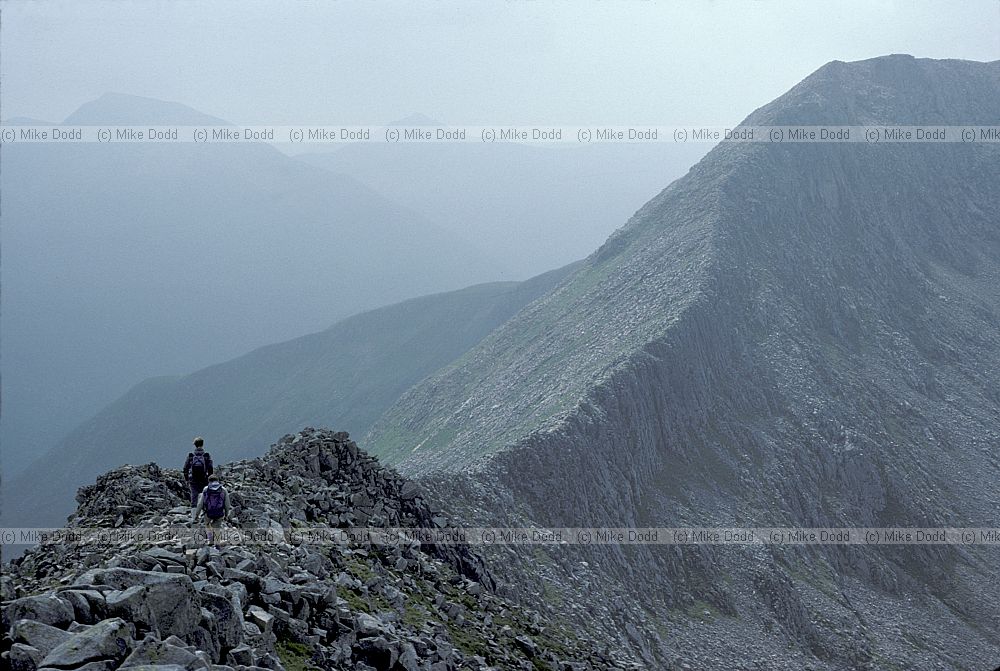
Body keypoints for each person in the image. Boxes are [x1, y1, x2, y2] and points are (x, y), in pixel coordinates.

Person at [191, 474, 231, 547]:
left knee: (207, 525)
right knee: (217, 528)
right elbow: (227, 504)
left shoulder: (206, 489)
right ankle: (217, 544)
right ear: (218, 480)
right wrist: (226, 515)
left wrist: (197, 515)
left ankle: (211, 540)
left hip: (208, 512)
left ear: (209, 481)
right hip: (219, 512)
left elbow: (200, 503)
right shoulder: (223, 489)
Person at [182, 437, 213, 506]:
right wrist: (209, 479)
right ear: (202, 444)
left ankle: (194, 514)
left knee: (194, 496)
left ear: (195, 445)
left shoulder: (191, 456)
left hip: (193, 479)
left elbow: (185, 468)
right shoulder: (206, 456)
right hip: (204, 478)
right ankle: (204, 512)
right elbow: (210, 468)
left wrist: (187, 479)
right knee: (205, 495)